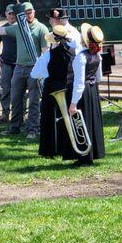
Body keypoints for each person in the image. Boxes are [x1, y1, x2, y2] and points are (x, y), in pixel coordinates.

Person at [0, 2, 48, 139]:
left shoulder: (41, 29)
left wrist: (41, 69)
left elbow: (45, 51)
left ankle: (33, 129)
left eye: (30, 12)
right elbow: (1, 31)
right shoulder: (18, 28)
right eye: (25, 13)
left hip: (34, 68)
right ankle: (15, 127)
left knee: (33, 101)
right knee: (15, 99)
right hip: (19, 68)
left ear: (34, 12)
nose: (28, 15)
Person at [63, 23, 105, 166]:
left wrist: (73, 103)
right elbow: (99, 78)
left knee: (83, 123)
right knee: (91, 121)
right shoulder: (98, 56)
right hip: (93, 90)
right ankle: (91, 155)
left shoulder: (81, 57)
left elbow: (79, 83)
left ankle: (84, 157)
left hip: (83, 91)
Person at [30, 25, 74, 158]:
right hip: (68, 88)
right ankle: (66, 148)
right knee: (66, 118)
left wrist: (46, 73)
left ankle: (50, 150)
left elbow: (34, 74)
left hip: (52, 88)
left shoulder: (48, 55)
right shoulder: (73, 53)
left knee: (50, 118)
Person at [0, 4, 17, 123]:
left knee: (19, 90)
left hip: (19, 64)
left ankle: (19, 115)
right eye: (9, 13)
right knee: (6, 89)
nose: (11, 16)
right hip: (6, 63)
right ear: (6, 14)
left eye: (13, 13)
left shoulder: (21, 28)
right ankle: (5, 114)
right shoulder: (2, 29)